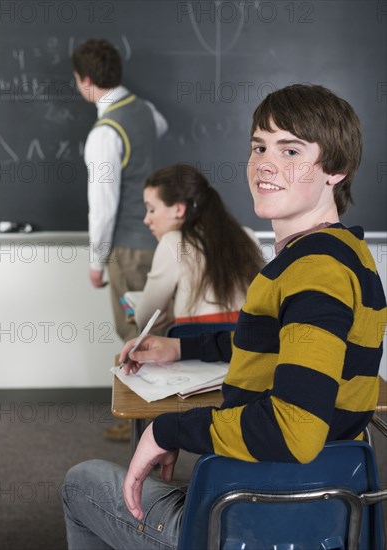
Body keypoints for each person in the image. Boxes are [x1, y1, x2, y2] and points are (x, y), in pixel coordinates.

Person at [62, 84, 387, 549]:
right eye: (259, 146)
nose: (265, 164)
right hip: (328, 515)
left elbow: (294, 430)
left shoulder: (315, 273)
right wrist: (183, 345)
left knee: (81, 481)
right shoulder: (345, 253)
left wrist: (168, 428)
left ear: (334, 169)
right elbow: (286, 341)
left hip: (253, 518)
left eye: (291, 149)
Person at [72, 38, 168, 342]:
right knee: (159, 332)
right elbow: (161, 128)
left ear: (86, 80)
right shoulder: (147, 111)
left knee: (136, 339)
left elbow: (103, 208)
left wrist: (96, 262)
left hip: (128, 250)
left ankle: (141, 392)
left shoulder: (104, 134)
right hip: (160, 241)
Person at [134, 163, 264, 333]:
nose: (146, 219)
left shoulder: (172, 243)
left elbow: (144, 318)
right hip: (247, 350)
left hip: (194, 353)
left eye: (151, 209)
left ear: (179, 209)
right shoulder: (247, 236)